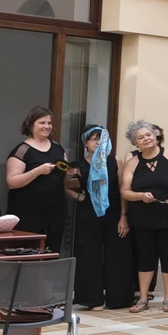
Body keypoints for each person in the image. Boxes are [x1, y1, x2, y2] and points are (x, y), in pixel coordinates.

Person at [119, 120, 168, 313]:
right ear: (135, 143)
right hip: (143, 217)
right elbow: (125, 191)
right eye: (141, 137)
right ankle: (143, 299)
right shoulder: (133, 163)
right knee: (145, 256)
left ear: (155, 136)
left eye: (148, 135)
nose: (146, 139)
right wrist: (140, 197)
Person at [70, 124, 131, 310]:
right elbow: (64, 184)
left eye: (101, 138)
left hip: (113, 212)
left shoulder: (115, 161)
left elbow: (123, 189)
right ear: (85, 143)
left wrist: (123, 216)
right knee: (90, 254)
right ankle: (92, 298)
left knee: (117, 253)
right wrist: (78, 196)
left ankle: (118, 298)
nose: (97, 142)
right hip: (89, 212)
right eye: (93, 139)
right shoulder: (78, 165)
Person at [5, 106, 70, 251]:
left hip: (55, 210)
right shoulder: (22, 150)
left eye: (49, 123)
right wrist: (37, 171)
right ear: (31, 124)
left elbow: (62, 180)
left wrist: (69, 174)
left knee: (52, 250)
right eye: (42, 123)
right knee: (29, 251)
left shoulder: (58, 149)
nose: (47, 126)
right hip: (28, 211)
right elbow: (12, 182)